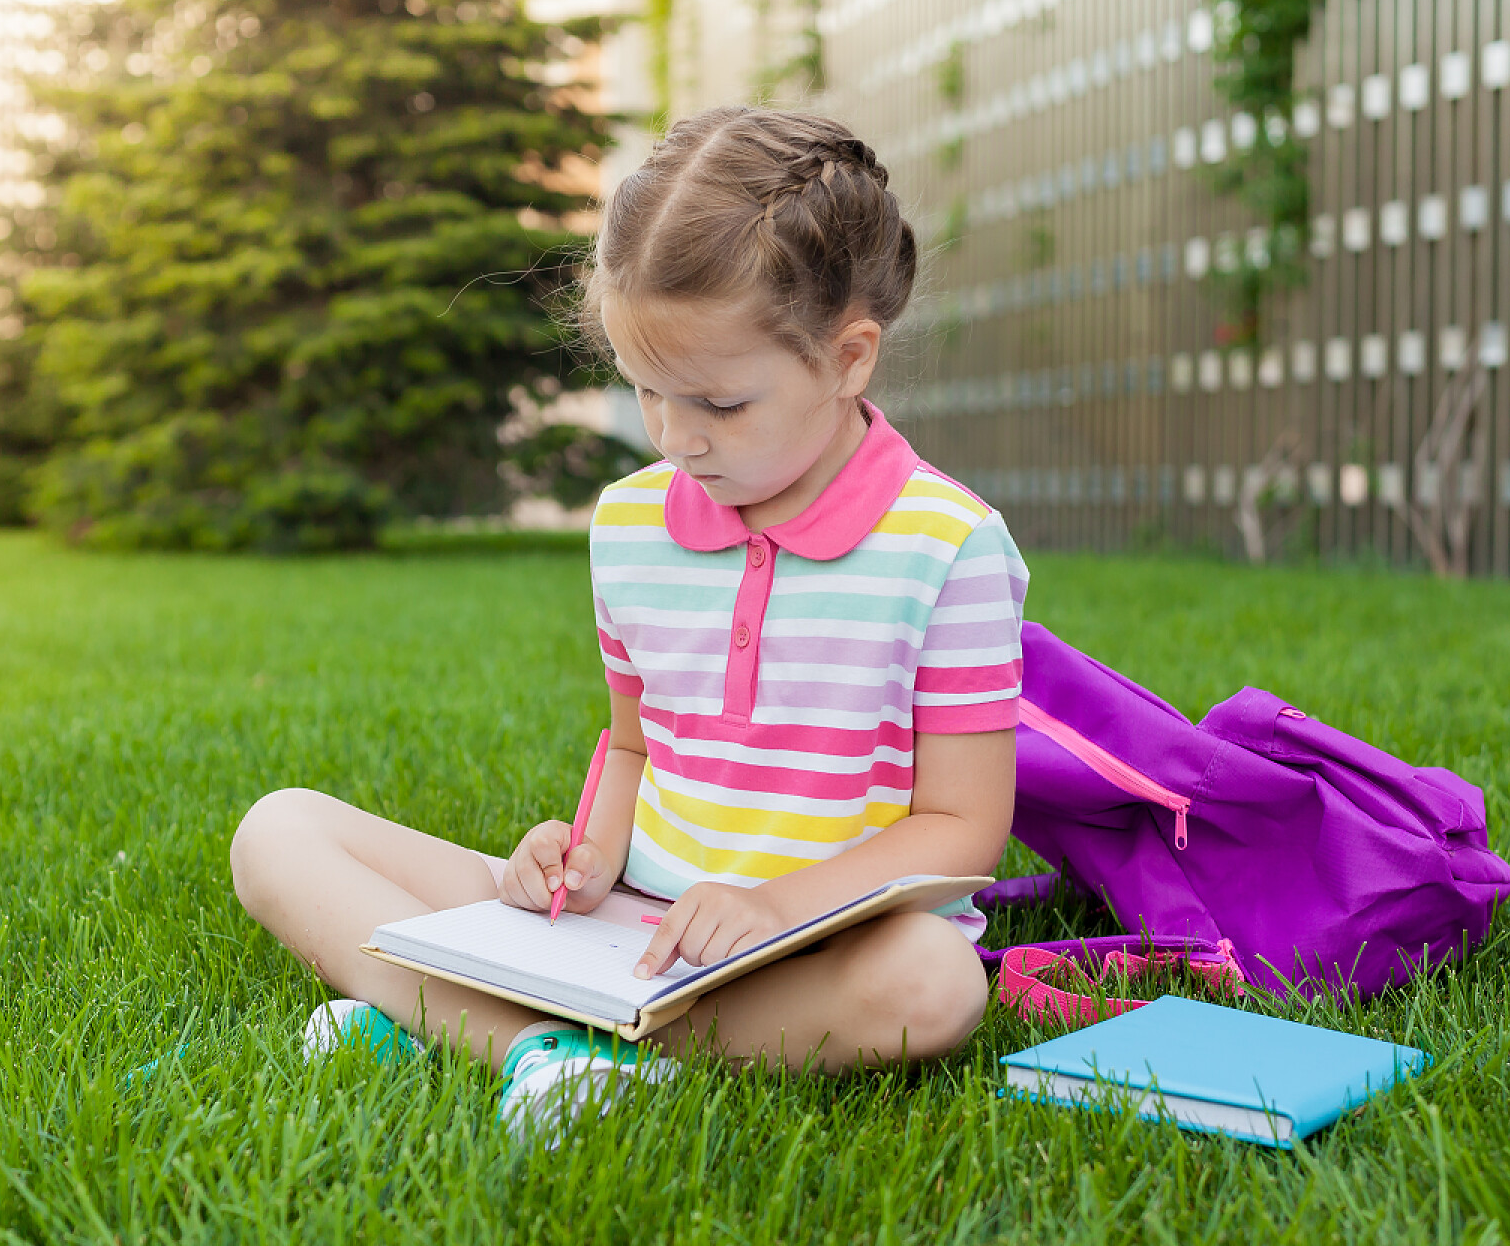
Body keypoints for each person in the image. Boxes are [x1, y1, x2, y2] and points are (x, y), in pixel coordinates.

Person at [230, 105, 1029, 1135]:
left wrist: (779, 907)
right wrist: (584, 851)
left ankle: (446, 1012)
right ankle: (539, 1044)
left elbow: (964, 828)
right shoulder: (630, 523)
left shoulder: (947, 545)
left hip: (812, 949)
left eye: (720, 404)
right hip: (623, 920)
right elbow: (637, 742)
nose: (677, 437)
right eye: (647, 393)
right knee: (277, 831)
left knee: (936, 984)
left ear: (850, 357)